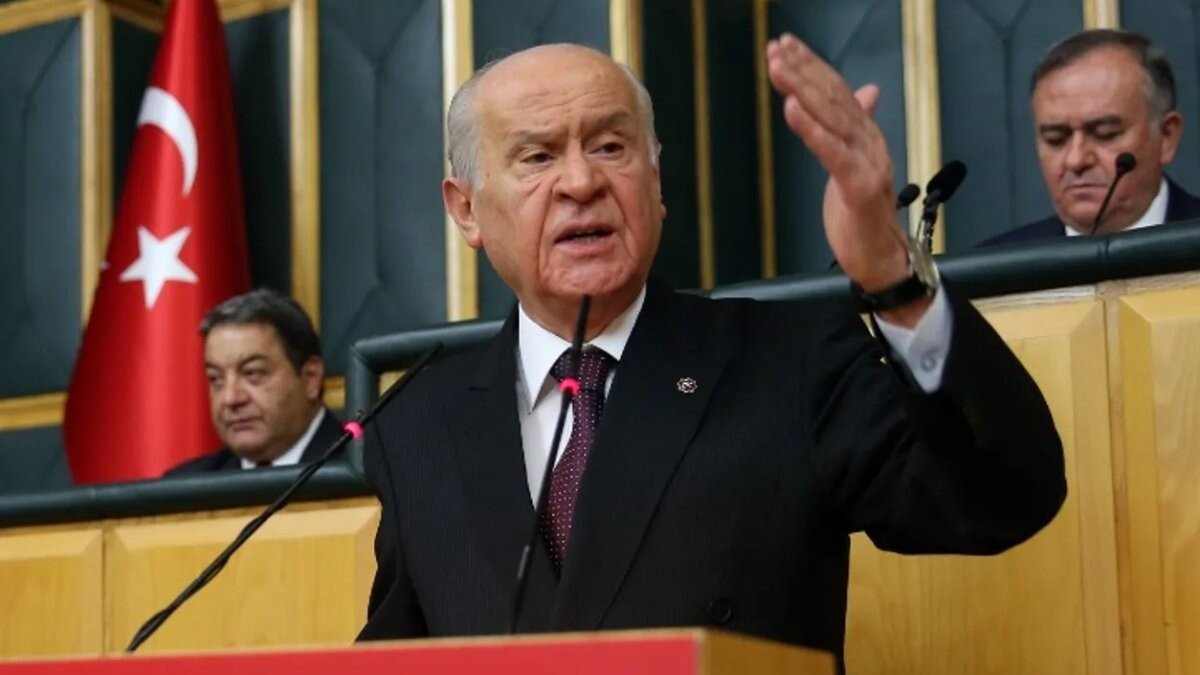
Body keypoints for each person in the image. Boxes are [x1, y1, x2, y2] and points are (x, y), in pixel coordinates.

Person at [357, 39, 1065, 661]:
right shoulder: (419, 426)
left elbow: (1001, 495)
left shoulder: (788, 361)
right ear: (467, 209)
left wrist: (893, 278)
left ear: (656, 180)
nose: (581, 182)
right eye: (538, 156)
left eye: (610, 147)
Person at [982, 29, 1200, 246]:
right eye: (1055, 139)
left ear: (1167, 136)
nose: (1076, 160)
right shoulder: (996, 262)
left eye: (1105, 134)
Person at [166, 289, 342, 474]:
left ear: (310, 378)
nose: (230, 399)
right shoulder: (184, 484)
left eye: (252, 373)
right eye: (216, 379)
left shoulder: (360, 471)